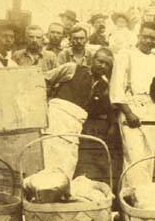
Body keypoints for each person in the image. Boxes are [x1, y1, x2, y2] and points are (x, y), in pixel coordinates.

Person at [109, 21, 155, 185]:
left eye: (152, 38)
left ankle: (145, 198)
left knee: (148, 157)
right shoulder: (125, 55)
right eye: (145, 37)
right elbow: (116, 88)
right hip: (131, 107)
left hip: (150, 108)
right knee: (134, 157)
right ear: (138, 36)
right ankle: (131, 198)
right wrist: (128, 112)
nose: (148, 41)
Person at [43, 47, 114, 178]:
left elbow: (104, 108)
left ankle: (58, 190)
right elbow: (44, 79)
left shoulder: (104, 85)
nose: (103, 66)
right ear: (92, 60)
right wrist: (44, 101)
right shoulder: (72, 68)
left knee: (68, 161)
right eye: (100, 61)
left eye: (107, 64)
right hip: (57, 116)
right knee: (50, 158)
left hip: (76, 125)